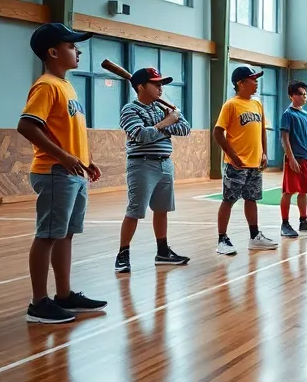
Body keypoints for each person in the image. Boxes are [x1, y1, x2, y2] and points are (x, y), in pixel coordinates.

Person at [17, 23, 107, 324]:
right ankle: (38, 303)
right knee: (47, 235)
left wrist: (85, 160)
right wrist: (66, 157)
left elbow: (67, 131)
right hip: (55, 171)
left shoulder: (67, 86)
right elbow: (27, 126)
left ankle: (64, 295)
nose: (77, 50)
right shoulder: (46, 85)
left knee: (65, 234)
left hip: (72, 172)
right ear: (53, 52)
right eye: (71, 46)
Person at [115, 67, 192, 272]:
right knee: (135, 211)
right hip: (142, 164)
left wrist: (165, 121)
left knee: (162, 209)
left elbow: (184, 128)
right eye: (156, 84)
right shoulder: (130, 110)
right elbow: (141, 135)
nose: (160, 87)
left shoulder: (161, 109)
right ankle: (123, 254)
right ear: (140, 87)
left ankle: (162, 251)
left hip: (165, 163)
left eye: (161, 84)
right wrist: (167, 122)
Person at [213, 66, 278, 254]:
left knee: (252, 199)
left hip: (254, 163)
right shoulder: (231, 105)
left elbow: (262, 131)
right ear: (240, 83)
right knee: (229, 199)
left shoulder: (257, 104)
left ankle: (254, 236)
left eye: (256, 79)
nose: (256, 82)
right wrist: (232, 156)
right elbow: (218, 132)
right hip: (236, 164)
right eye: (252, 79)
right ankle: (222, 239)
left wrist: (264, 153)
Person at [279, 80, 307, 238]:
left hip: (306, 159)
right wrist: (291, 158)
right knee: (289, 191)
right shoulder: (288, 114)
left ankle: (303, 220)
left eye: (305, 94)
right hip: (295, 159)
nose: (304, 96)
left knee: (304, 191)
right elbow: (284, 137)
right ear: (291, 95)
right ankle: (284, 223)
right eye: (300, 93)